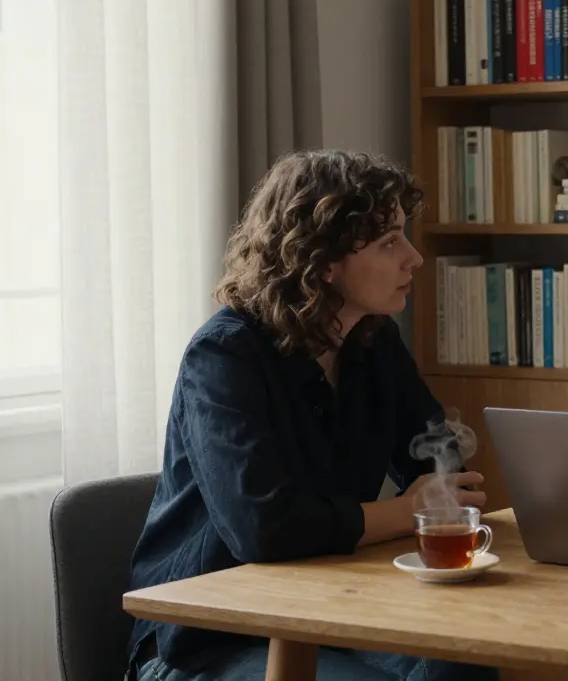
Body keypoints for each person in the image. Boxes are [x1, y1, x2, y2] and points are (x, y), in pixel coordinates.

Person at [125, 149, 499, 681]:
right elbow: (264, 530)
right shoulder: (225, 357)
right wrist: (405, 511)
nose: (414, 258)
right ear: (322, 261)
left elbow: (438, 450)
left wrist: (437, 482)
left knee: (461, 663)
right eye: (389, 242)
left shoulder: (371, 340)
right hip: (208, 637)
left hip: (327, 603)